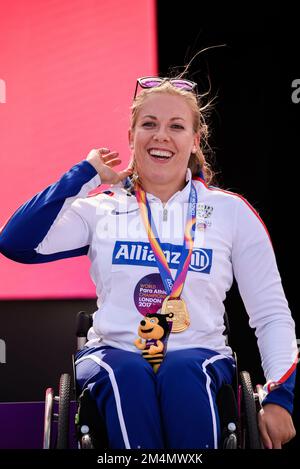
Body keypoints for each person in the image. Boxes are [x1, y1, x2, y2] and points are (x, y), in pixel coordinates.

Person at [0, 75, 298, 450]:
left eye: (176, 126)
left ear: (194, 140)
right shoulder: (103, 207)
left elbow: (271, 313)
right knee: (126, 371)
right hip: (113, 355)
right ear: (131, 136)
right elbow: (15, 242)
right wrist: (82, 176)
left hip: (199, 358)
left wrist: (278, 398)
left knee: (181, 371)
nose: (161, 136)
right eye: (149, 124)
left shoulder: (230, 212)